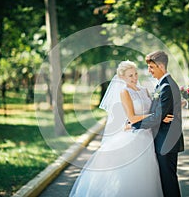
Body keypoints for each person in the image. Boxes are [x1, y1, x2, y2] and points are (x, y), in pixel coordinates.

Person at [69, 60, 173, 197]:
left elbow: (155, 108)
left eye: (135, 74)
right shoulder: (125, 92)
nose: (134, 78)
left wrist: (175, 103)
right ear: (122, 78)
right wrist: (158, 116)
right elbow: (133, 117)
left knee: (147, 173)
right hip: (134, 136)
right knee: (131, 175)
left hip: (148, 136)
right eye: (130, 76)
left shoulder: (145, 90)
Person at [132, 50, 184, 197]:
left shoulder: (166, 86)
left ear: (161, 66)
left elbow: (157, 117)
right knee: (166, 181)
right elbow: (157, 113)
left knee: (169, 181)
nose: (149, 71)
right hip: (162, 139)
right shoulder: (161, 85)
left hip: (166, 141)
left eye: (152, 67)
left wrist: (134, 125)